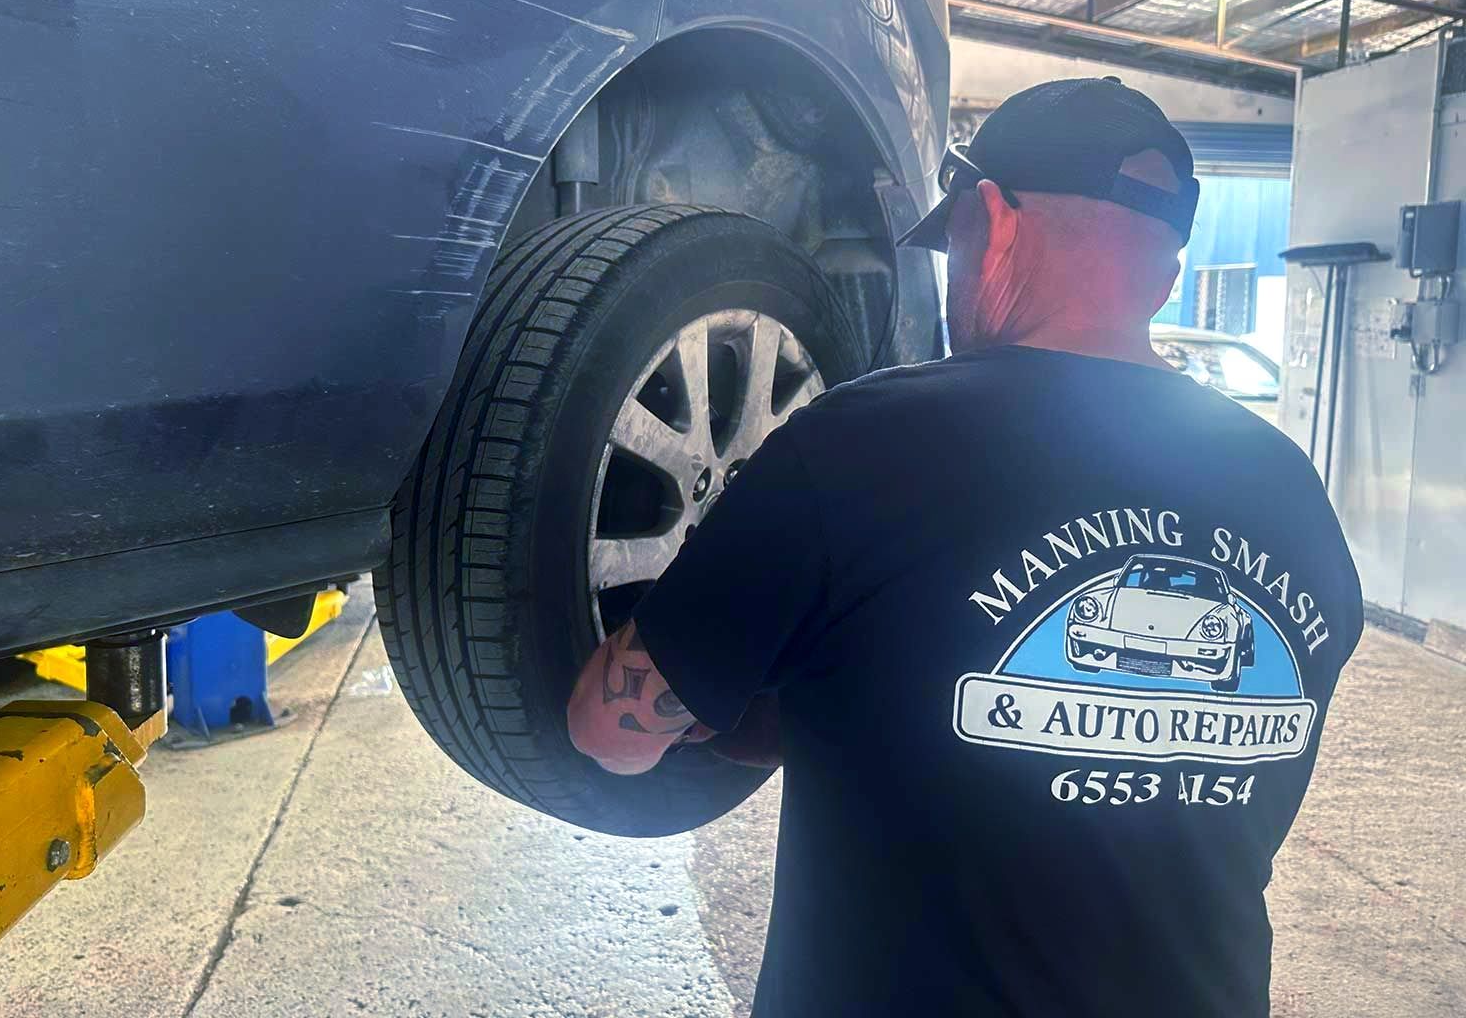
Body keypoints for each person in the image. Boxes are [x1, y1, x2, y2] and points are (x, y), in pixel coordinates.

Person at [565, 78, 1361, 1017]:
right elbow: (1161, 789)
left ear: (993, 219)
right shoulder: (1292, 493)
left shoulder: (859, 443)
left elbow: (608, 735)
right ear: (1169, 273)